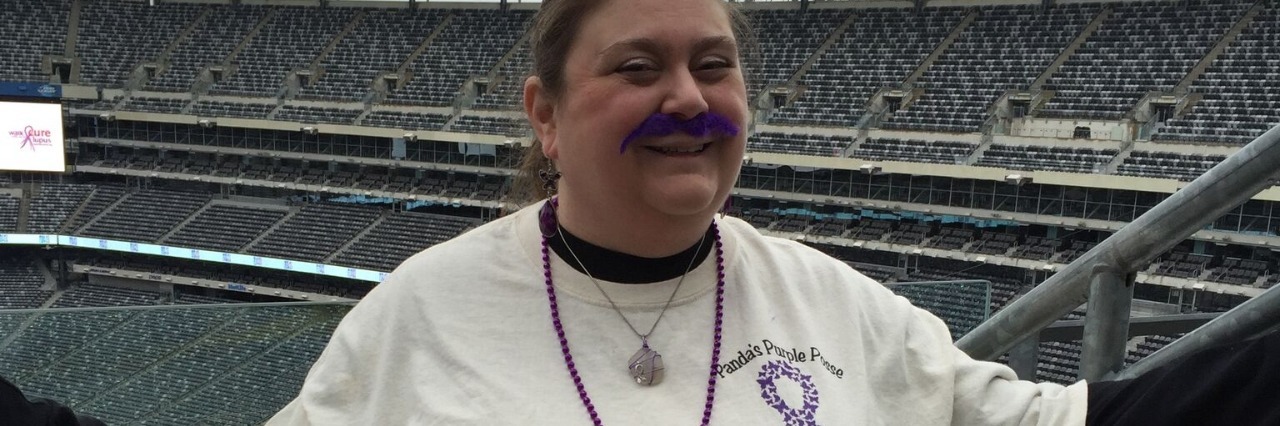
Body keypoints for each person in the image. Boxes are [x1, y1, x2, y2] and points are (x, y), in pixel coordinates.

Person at [269, 0, 1277, 424]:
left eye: (714, 66)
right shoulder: (421, 311)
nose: (687, 97)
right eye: (636, 67)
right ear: (544, 114)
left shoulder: (828, 301)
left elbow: (1059, 420)